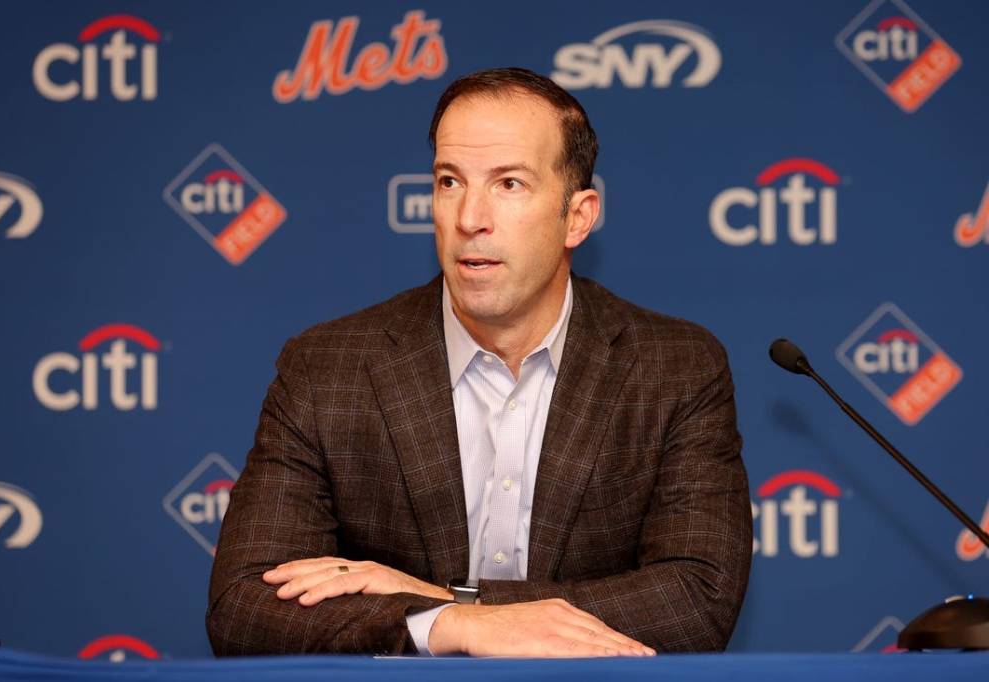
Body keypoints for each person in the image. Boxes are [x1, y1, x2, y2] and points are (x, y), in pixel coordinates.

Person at [207, 67, 751, 657]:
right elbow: (244, 608)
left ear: (578, 216)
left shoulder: (674, 367)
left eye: (509, 184)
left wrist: (445, 598)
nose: (469, 219)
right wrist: (452, 624)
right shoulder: (329, 368)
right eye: (449, 181)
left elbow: (697, 602)